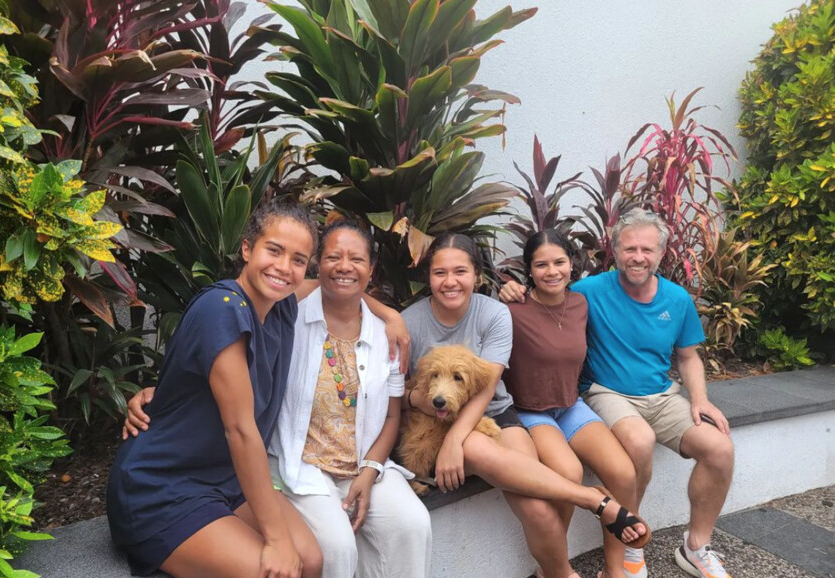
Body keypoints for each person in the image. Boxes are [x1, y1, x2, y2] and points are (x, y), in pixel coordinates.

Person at [500, 208, 735, 578]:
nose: (638, 257)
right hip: (601, 394)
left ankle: (694, 548)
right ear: (614, 250)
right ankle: (607, 555)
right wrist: (511, 290)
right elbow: (538, 299)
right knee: (633, 444)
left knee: (720, 448)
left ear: (661, 253)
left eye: (647, 249)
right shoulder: (587, 291)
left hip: (658, 396)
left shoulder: (672, 299)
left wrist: (700, 400)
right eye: (629, 248)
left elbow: (689, 357)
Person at [402, 233, 650, 578]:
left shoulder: (494, 313)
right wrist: (432, 414)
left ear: (477, 274)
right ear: (428, 276)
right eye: (440, 273)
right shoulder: (408, 322)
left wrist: (456, 440)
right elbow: (399, 391)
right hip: (435, 422)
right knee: (484, 451)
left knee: (541, 510)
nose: (450, 282)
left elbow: (487, 389)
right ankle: (592, 503)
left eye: (461, 271)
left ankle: (561, 569)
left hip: (495, 413)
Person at [107, 201, 323, 578]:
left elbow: (334, 284)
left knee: (312, 560)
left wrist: (388, 317)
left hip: (223, 477)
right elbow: (240, 430)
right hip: (162, 485)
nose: (284, 268)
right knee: (272, 571)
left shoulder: (281, 303)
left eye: (298, 259)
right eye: (273, 250)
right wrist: (276, 540)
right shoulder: (221, 310)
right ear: (246, 248)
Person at [269, 220, 431, 578]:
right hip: (302, 465)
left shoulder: (387, 336)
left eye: (356, 259)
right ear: (318, 265)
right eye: (333, 257)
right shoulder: (288, 314)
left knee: (413, 524)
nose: (344, 266)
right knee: (337, 548)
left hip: (362, 463)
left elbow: (391, 418)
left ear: (371, 270)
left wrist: (371, 469)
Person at [504, 229, 642, 578]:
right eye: (541, 264)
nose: (552, 271)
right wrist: (503, 290)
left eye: (559, 262)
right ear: (529, 270)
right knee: (568, 473)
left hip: (570, 405)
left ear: (572, 264)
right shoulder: (512, 307)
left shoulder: (580, 303)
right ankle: (553, 569)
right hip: (530, 410)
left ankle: (615, 570)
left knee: (624, 473)